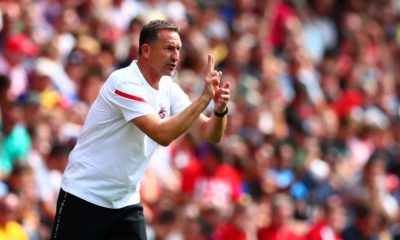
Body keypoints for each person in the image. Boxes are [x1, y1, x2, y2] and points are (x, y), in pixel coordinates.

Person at [50, 19, 230, 240]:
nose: (176, 56)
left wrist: (220, 111)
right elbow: (161, 134)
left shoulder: (168, 88)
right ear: (146, 49)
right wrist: (204, 99)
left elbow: (209, 133)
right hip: (85, 197)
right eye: (169, 48)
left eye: (178, 49)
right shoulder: (124, 82)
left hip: (126, 202)